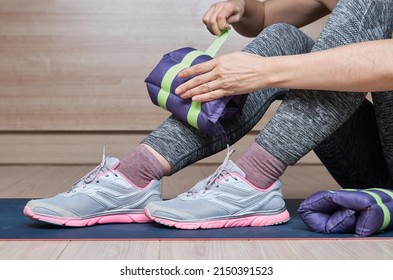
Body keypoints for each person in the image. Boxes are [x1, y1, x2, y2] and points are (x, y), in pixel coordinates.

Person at [24, 0, 393, 229]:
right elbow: (264, 18)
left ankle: (254, 181)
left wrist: (264, 72)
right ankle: (134, 177)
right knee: (285, 36)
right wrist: (245, 8)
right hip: (377, 161)